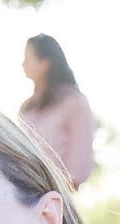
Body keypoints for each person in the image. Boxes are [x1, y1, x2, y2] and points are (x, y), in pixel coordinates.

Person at [17, 33, 95, 187]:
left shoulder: (74, 103)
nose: (23, 64)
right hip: (24, 195)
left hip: (56, 198)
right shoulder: (26, 108)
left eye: (28, 57)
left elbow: (77, 171)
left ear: (45, 63)